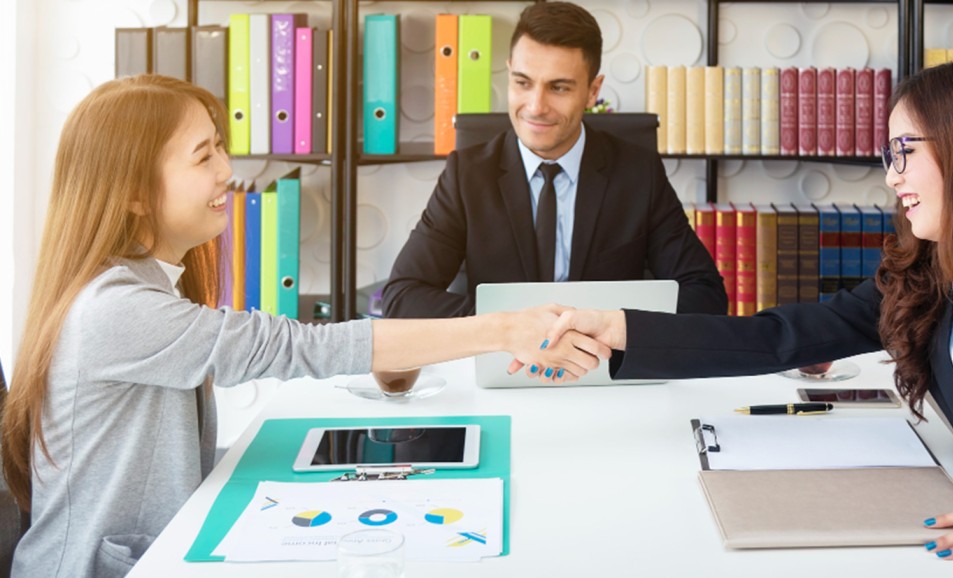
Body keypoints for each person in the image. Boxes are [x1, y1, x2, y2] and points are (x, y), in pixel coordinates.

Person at [543, 58, 953, 577]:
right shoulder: (923, 277)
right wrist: (620, 329)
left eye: (905, 152)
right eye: (889, 155)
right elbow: (775, 338)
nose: (891, 177)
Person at [0, 74, 603, 578]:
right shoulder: (115, 309)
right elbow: (296, 346)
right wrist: (502, 330)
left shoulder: (145, 283)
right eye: (203, 156)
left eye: (220, 148)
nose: (226, 172)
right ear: (133, 192)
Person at [379, 1, 727, 319]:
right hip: (501, 358)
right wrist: (512, 326)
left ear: (593, 91)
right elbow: (402, 297)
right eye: (523, 83)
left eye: (559, 88)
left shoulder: (639, 174)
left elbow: (705, 294)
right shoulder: (466, 175)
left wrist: (604, 325)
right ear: (509, 74)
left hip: (602, 358)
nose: (536, 107)